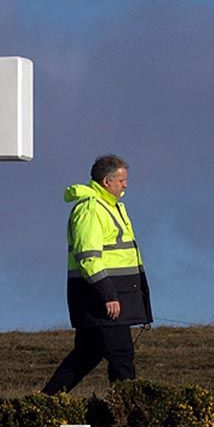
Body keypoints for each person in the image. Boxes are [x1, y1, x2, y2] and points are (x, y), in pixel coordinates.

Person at [42, 155, 152, 394]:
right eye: (121, 180)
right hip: (101, 298)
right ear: (106, 181)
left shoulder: (109, 206)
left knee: (87, 354)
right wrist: (108, 295)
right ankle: (126, 408)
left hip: (104, 297)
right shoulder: (91, 209)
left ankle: (44, 403)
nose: (125, 185)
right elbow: (88, 257)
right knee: (121, 355)